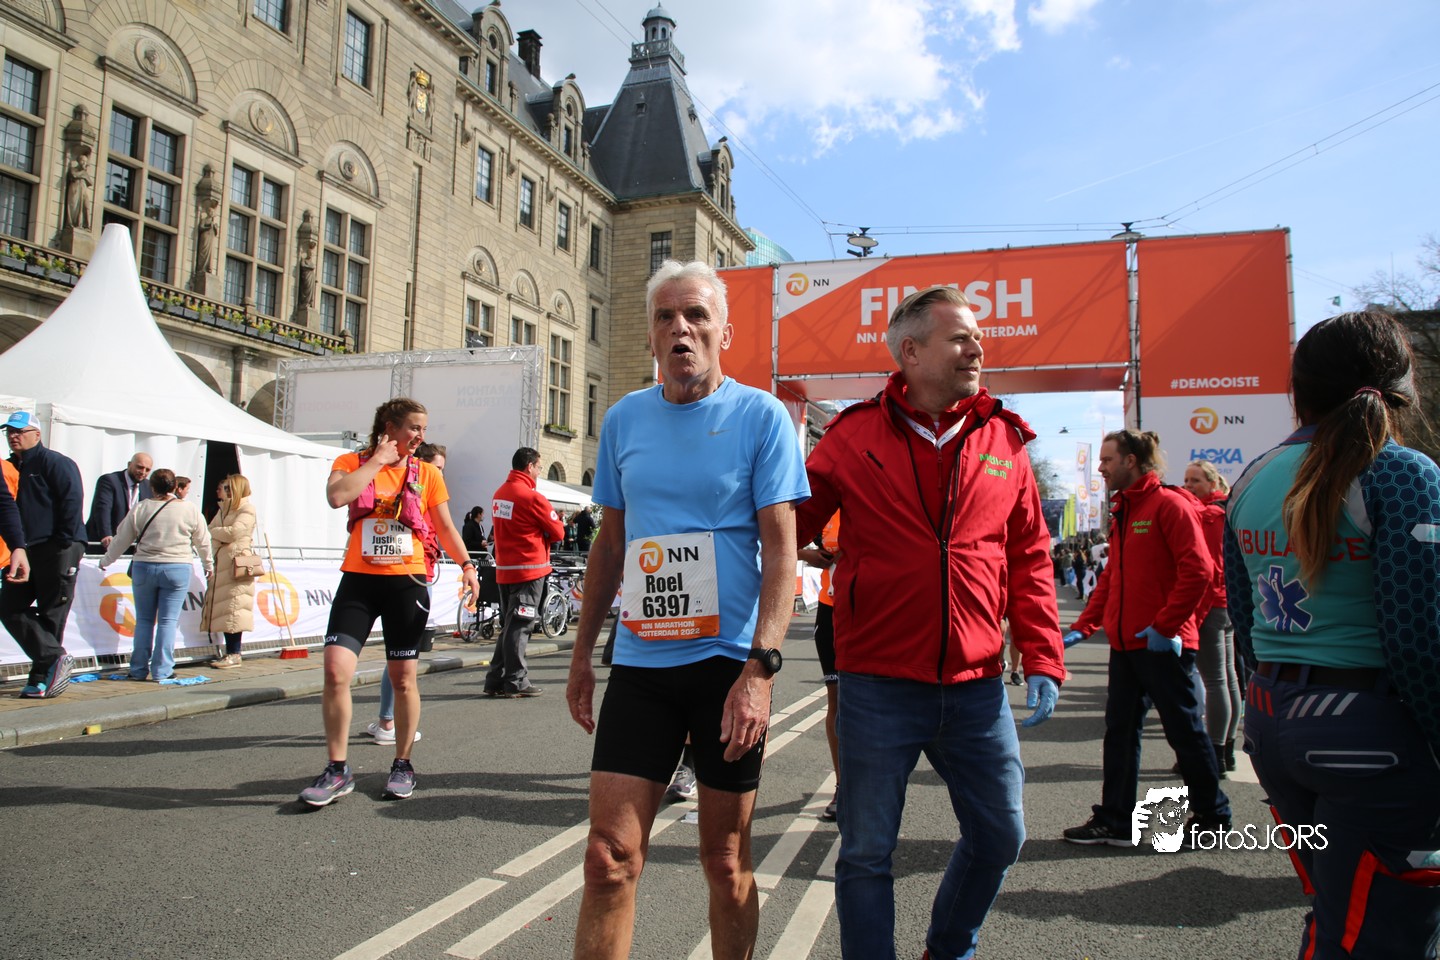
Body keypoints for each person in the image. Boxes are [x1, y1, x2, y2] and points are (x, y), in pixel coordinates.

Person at [796, 285, 1063, 960]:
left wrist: (1043, 656)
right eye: (960, 337)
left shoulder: (1005, 438)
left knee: (1001, 835)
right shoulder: (851, 436)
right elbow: (781, 528)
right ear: (910, 353)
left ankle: (948, 949)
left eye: (977, 337)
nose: (977, 348)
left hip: (976, 687)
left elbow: (1030, 556)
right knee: (866, 852)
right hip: (876, 685)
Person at [565, 259, 808, 960]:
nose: (681, 328)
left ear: (724, 332)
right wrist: (582, 655)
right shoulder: (624, 419)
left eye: (697, 315)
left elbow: (781, 553)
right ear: (650, 336)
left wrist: (760, 670)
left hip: (727, 667)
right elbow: (611, 545)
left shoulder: (760, 416)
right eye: (666, 316)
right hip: (643, 664)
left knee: (725, 862)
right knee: (607, 858)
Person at [1226, 311, 1440, 958]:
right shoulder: (1401, 473)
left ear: (1299, 390)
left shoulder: (1253, 476)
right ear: (1402, 385)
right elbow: (1418, 635)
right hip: (1371, 731)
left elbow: (1246, 624)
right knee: (1382, 935)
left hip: (1276, 721)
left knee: (1342, 918)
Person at [298, 398, 479, 807]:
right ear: (389, 427)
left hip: (406, 584)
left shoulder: (428, 473)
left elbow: (445, 527)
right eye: (414, 428)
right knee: (335, 671)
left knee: (403, 679)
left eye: (424, 430)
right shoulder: (351, 461)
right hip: (359, 582)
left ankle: (402, 763)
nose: (420, 437)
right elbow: (337, 496)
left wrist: (468, 566)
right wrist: (378, 461)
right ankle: (337, 769)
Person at [1061, 429, 1231, 846]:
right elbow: (1112, 579)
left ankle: (1213, 818)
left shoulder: (1169, 504)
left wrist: (1166, 626)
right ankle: (1116, 820)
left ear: (1131, 461)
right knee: (1120, 731)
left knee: (1184, 732)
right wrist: (1084, 625)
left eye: (1107, 460)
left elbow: (1200, 571)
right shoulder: (1127, 509)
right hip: (1127, 644)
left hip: (1162, 645)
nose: (1100, 468)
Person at [1, 411, 85, 699]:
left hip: (56, 545)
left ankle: (40, 679)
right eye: (9, 432)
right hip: (25, 549)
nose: (13, 436)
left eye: (19, 431)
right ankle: (54, 657)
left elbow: (72, 500)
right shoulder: (11, 467)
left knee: (52, 611)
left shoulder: (55, 462)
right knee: (9, 607)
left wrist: (63, 541)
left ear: (37, 434)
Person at [367, 441, 446, 743]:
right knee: (401, 656)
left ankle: (388, 720)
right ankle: (388, 723)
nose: (440, 475)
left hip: (415, 573)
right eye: (437, 468)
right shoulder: (414, 492)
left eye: (442, 470)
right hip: (409, 575)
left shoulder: (426, 491)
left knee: (401, 655)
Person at [100, 469, 211, 680]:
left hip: (144, 566)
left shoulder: (141, 507)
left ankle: (138, 669)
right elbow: (203, 541)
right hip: (177, 566)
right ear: (174, 486)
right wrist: (208, 564)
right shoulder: (189, 509)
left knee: (144, 620)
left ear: (152, 487)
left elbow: (121, 538)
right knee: (168, 621)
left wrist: (106, 561)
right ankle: (162, 670)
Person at [487, 447, 564, 698]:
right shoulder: (532, 497)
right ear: (530, 466)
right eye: (539, 467)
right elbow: (558, 532)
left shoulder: (500, 493)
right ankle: (516, 680)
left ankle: (495, 678)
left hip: (505, 568)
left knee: (510, 625)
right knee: (520, 626)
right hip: (529, 569)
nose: (539, 472)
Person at [1183, 458, 1238, 775]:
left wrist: (1196, 612)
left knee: (1216, 680)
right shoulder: (1221, 512)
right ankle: (1225, 750)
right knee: (1226, 678)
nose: (1189, 486)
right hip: (1223, 605)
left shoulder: (1212, 516)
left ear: (1213, 484)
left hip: (1211, 606)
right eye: (1187, 480)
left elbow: (1211, 570)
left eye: (1196, 481)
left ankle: (1214, 754)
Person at [796, 511, 842, 821]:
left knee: (874, 700)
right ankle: (843, 784)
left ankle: (874, 782)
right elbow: (779, 531)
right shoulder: (826, 501)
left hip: (873, 610)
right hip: (830, 611)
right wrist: (806, 554)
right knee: (837, 699)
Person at [202, 474, 258, 670]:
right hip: (223, 564)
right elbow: (210, 529)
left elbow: (234, 532)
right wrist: (220, 532)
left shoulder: (247, 509)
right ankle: (231, 652)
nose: (225, 491)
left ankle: (234, 653)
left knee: (235, 608)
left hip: (237, 565)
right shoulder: (224, 509)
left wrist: (218, 532)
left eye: (228, 488)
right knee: (226, 609)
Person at [85, 452, 153, 553]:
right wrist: (106, 534)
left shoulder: (148, 486)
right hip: (106, 544)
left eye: (147, 470)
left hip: (132, 546)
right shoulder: (110, 481)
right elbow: (103, 509)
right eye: (140, 467)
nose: (143, 472)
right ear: (129, 464)